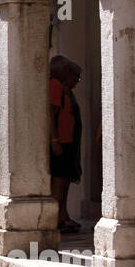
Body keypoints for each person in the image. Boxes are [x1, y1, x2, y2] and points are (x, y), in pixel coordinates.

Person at [50, 55, 83, 232]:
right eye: (76, 76)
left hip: (68, 141)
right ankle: (54, 219)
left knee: (65, 180)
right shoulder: (55, 85)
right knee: (58, 181)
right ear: (65, 72)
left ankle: (62, 216)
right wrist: (55, 141)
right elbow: (51, 113)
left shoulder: (65, 89)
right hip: (61, 141)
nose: (77, 80)